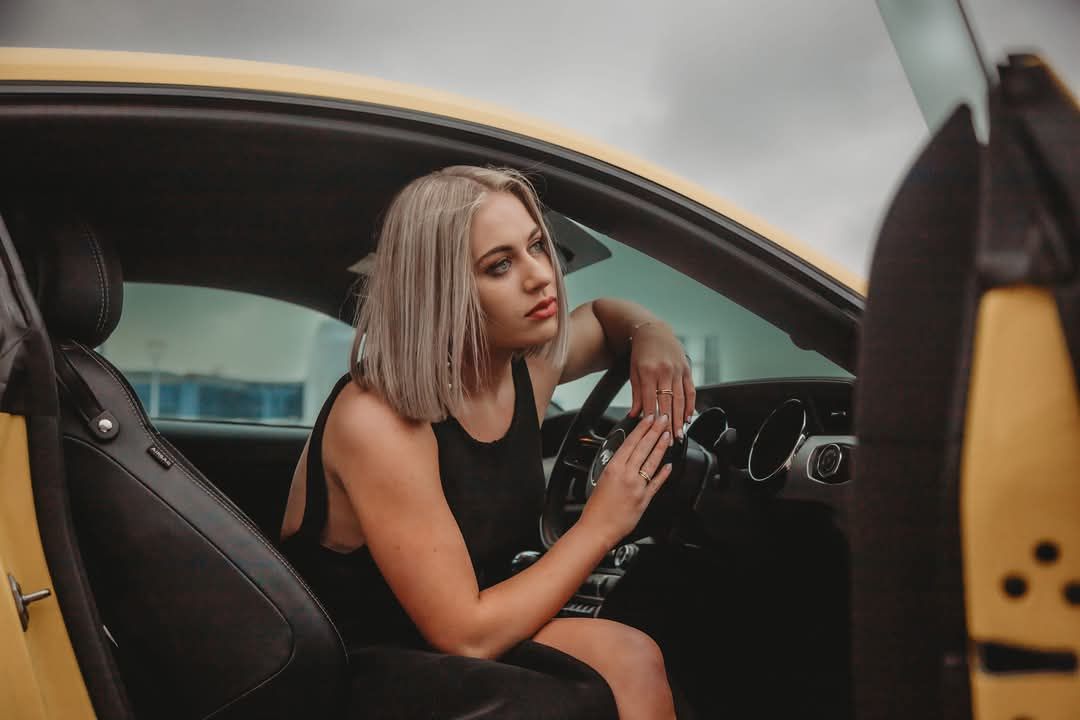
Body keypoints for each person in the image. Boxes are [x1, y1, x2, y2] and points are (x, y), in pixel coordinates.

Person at [280, 165, 696, 719]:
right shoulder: (377, 419)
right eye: (499, 265)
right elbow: (466, 635)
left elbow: (602, 317)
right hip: (356, 669)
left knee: (635, 653)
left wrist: (654, 335)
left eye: (537, 247)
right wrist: (603, 522)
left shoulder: (524, 370)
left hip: (464, 633)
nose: (540, 276)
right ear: (438, 290)